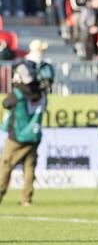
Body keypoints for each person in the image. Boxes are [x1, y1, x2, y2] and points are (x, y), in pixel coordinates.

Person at [0, 40, 54, 205]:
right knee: (29, 167)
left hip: (17, 133)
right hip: (34, 133)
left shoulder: (18, 93)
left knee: (6, 165)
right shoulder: (42, 95)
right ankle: (26, 198)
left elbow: (6, 104)